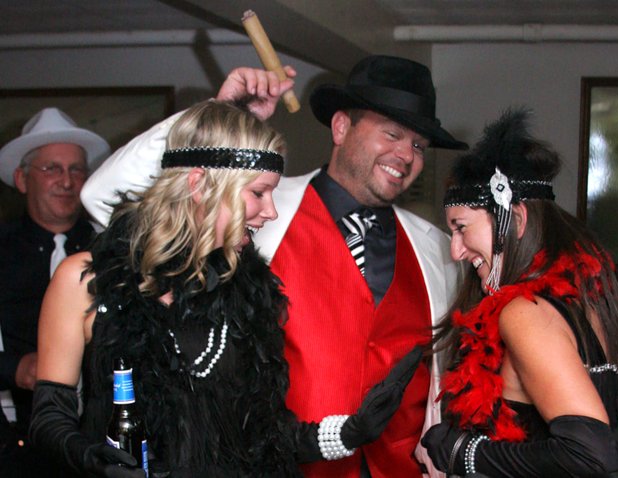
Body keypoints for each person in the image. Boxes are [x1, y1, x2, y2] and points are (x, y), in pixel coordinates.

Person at [80, 55, 467, 477]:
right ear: (341, 127)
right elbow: (102, 198)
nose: (406, 155)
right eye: (392, 134)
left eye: (418, 146)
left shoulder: (443, 251)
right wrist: (217, 116)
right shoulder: (253, 209)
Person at [419, 109, 618, 477]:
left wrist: (461, 451)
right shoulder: (615, 297)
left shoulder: (525, 312)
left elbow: (589, 456)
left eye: (461, 228)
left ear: (515, 219)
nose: (455, 251)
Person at [0, 107, 109, 475]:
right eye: (52, 169)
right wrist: (16, 368)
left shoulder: (111, 250)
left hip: (98, 444)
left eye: (77, 169)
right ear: (21, 178)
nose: (67, 181)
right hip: (15, 444)